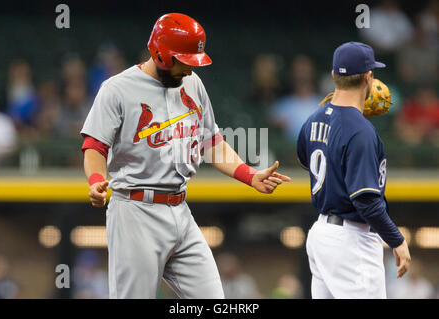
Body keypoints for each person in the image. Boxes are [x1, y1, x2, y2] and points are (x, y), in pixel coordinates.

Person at [80, 13, 291, 299]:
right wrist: (95, 179)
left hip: (181, 209)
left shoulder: (193, 86)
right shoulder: (117, 89)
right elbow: (95, 146)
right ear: (161, 54)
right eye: (185, 62)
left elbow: (211, 142)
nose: (190, 70)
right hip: (135, 210)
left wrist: (249, 175)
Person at [296, 42, 411, 298]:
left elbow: (307, 160)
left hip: (321, 235)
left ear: (334, 75)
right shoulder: (361, 131)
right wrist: (397, 240)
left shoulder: (313, 118)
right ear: (369, 77)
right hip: (351, 242)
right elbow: (366, 200)